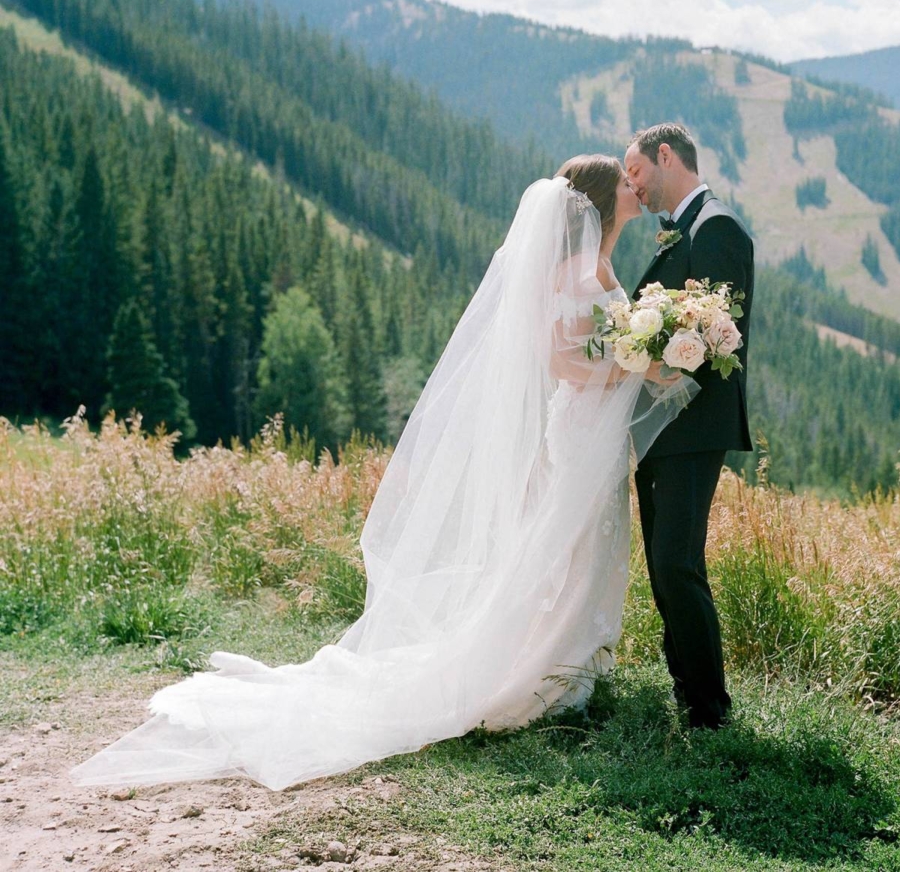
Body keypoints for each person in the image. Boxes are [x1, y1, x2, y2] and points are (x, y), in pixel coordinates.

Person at [71, 156, 694, 792]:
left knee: (588, 545)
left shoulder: (603, 261)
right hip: (579, 428)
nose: (633, 186)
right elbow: (559, 358)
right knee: (566, 545)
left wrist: (641, 353)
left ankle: (573, 668)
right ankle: (548, 673)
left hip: (599, 434)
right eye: (624, 181)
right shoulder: (568, 269)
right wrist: (633, 363)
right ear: (596, 201)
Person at [623, 122, 755, 731]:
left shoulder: (717, 226)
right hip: (663, 425)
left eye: (638, 172)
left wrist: (661, 364)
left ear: (666, 156)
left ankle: (709, 711)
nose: (634, 185)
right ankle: (687, 694)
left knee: (678, 561)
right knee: (661, 561)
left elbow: (720, 331)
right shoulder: (686, 227)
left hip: (693, 424)